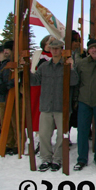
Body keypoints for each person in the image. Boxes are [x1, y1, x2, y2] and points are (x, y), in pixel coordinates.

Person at [29, 39, 78, 172]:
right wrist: (25, 69)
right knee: (44, 135)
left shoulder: (66, 66)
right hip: (46, 106)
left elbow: (74, 81)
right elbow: (34, 81)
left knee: (62, 135)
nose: (55, 51)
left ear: (62, 50)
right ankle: (45, 159)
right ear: (49, 50)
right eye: (53, 48)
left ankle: (57, 159)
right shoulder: (44, 66)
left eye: (58, 48)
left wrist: (72, 68)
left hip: (62, 106)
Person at [73, 39, 96, 170]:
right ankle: (82, 159)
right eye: (92, 48)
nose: (94, 50)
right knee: (83, 130)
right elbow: (76, 82)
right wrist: (75, 100)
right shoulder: (81, 64)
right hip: (84, 100)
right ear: (88, 50)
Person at [0, 41, 18, 155]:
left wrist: (8, 86)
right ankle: (8, 142)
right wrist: (0, 85)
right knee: (4, 121)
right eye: (5, 50)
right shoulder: (4, 64)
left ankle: (16, 143)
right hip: (3, 96)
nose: (6, 52)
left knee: (14, 120)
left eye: (8, 50)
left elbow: (17, 77)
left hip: (12, 95)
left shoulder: (16, 62)